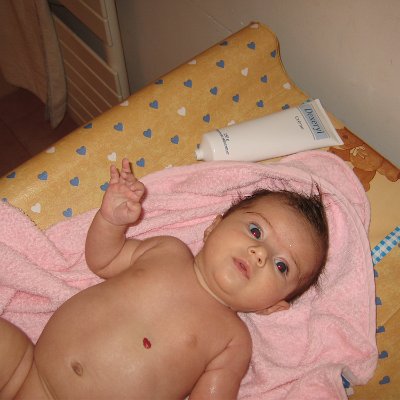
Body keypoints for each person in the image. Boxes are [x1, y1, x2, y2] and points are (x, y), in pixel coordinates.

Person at [0, 158, 329, 400]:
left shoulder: (233, 341)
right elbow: (103, 259)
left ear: (273, 306)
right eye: (256, 231)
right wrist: (111, 221)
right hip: (26, 372)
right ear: (213, 227)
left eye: (282, 266)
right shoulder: (167, 251)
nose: (260, 254)